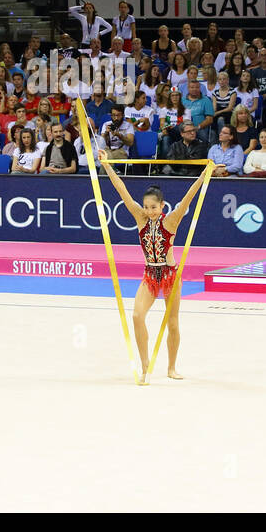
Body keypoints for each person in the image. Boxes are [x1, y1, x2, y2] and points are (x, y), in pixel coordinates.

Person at [97, 149, 211, 383]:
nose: (149, 211)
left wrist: (204, 174)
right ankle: (145, 363)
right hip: (150, 273)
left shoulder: (171, 220)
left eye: (153, 207)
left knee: (172, 323)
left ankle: (171, 367)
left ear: (162, 205)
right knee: (138, 316)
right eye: (146, 207)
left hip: (170, 275)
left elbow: (189, 197)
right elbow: (122, 192)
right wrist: (107, 165)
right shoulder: (140, 217)